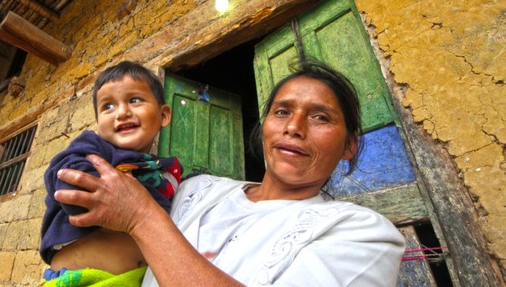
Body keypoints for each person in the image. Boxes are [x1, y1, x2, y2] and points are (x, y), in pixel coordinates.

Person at [53, 60, 406, 286]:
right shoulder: (196, 190)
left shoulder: (364, 234)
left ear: (349, 146)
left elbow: (139, 220)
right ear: (264, 126)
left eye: (320, 117)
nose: (294, 127)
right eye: (282, 112)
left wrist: (142, 218)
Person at [40, 61, 182, 285]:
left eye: (134, 100)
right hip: (81, 279)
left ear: (163, 115)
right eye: (108, 106)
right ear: (98, 123)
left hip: (140, 279)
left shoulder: (165, 171)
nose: (122, 113)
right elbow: (65, 175)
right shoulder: (93, 148)